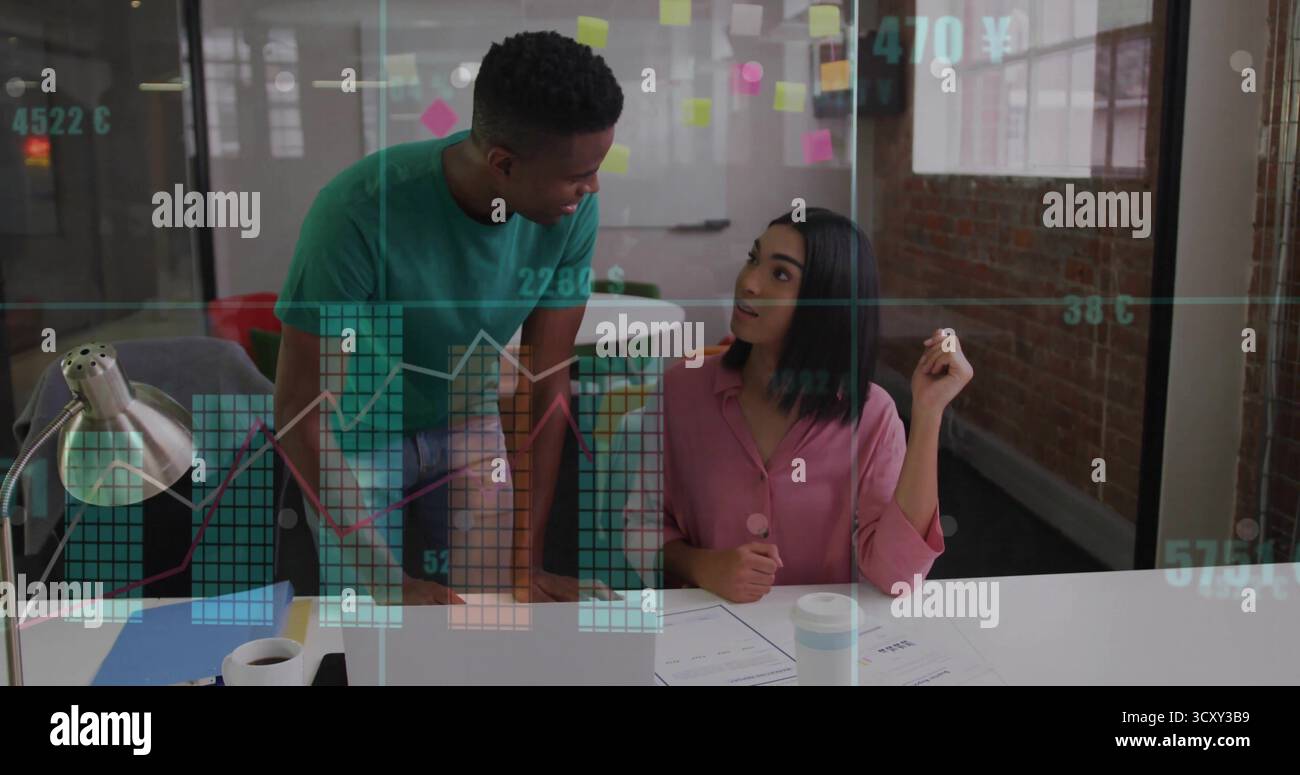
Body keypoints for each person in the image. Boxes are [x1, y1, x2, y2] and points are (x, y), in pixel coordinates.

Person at [273, 31, 624, 604]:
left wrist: (527, 563)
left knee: (491, 607)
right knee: (369, 619)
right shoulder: (357, 212)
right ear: (503, 164)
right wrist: (389, 584)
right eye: (578, 174)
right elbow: (297, 409)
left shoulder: (573, 210)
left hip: (465, 415)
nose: (592, 187)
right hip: (354, 430)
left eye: (596, 168)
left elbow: (546, 383)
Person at [650, 207, 973, 603]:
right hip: (707, 636)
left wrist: (927, 412)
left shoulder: (872, 415)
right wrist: (699, 565)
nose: (748, 282)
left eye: (781, 274)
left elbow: (898, 576)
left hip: (824, 639)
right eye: (753, 259)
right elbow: (639, 526)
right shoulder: (683, 388)